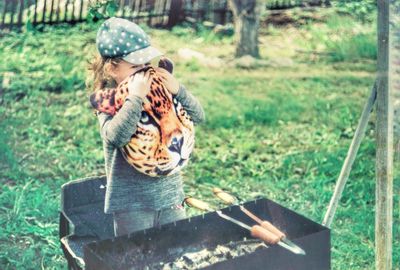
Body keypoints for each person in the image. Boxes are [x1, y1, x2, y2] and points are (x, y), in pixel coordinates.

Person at [86, 17, 205, 237]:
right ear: (112, 68)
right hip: (132, 205)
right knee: (137, 259)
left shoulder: (160, 91)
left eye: (145, 64)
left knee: (177, 250)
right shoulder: (107, 102)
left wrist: (178, 89)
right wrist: (135, 98)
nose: (143, 71)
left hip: (171, 197)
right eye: (135, 66)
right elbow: (116, 137)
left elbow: (199, 116)